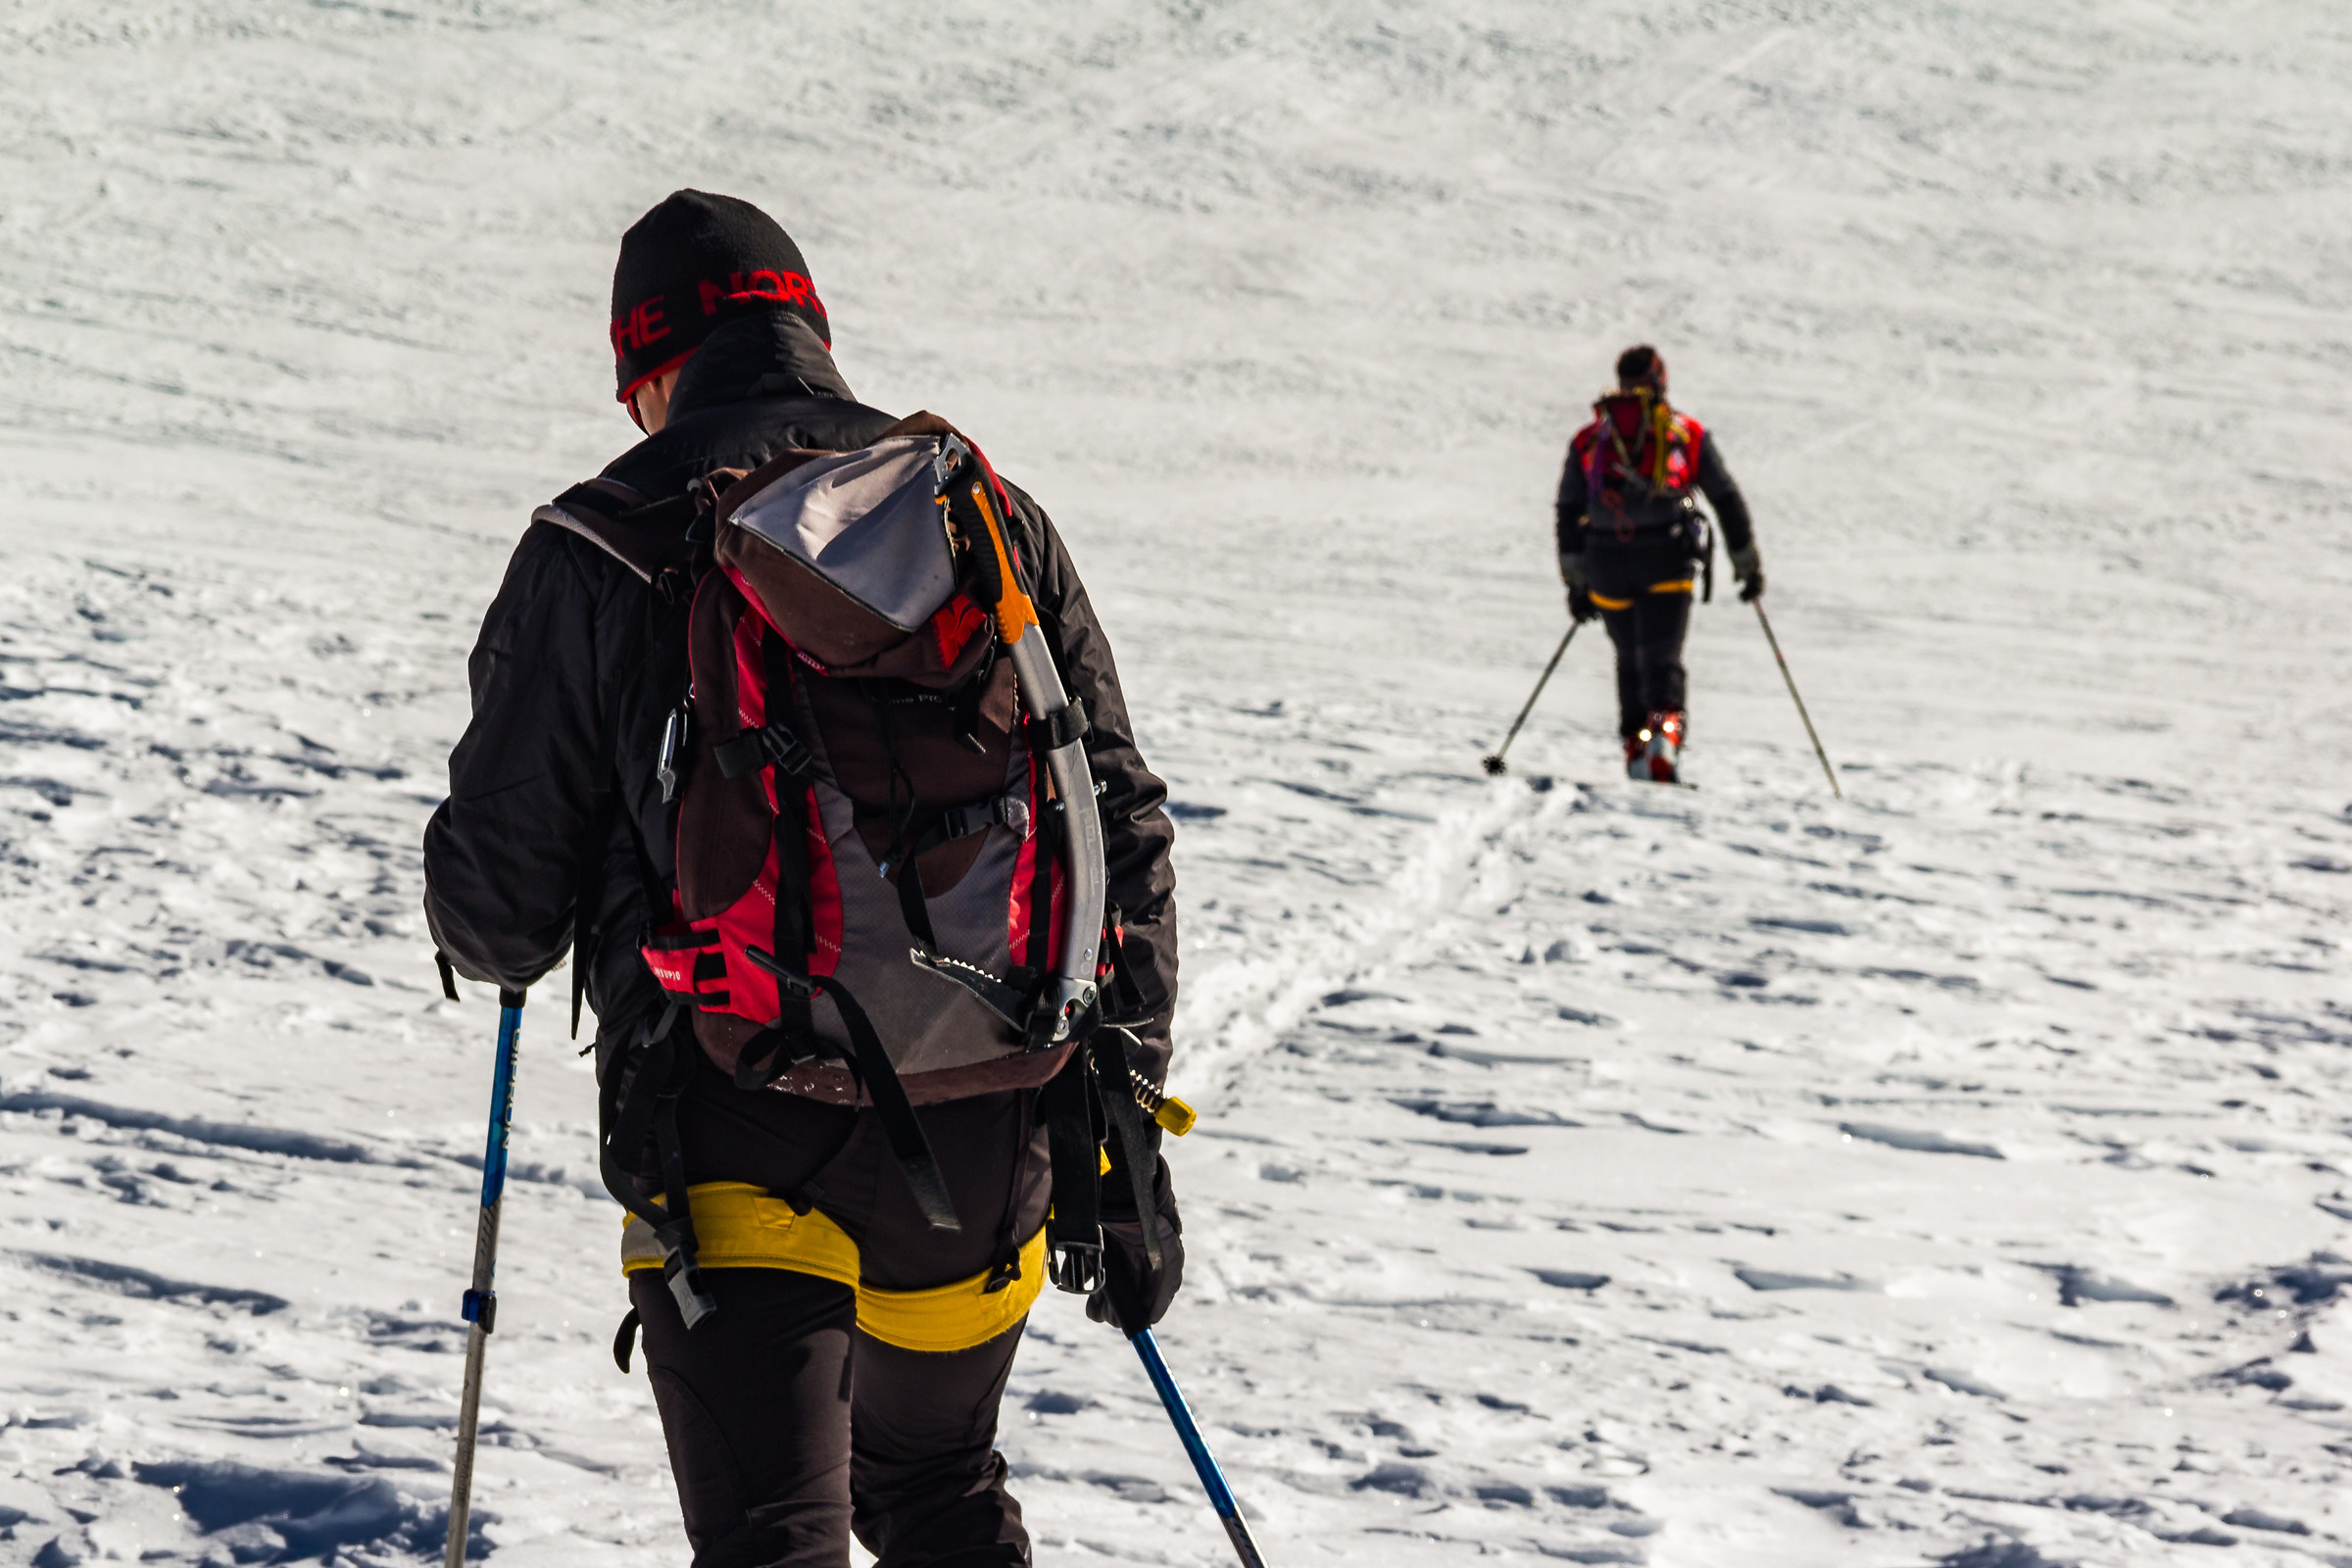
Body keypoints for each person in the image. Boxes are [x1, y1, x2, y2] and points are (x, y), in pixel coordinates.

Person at [421, 190, 1182, 1568]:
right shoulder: (985, 516)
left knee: (776, 1539)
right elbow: (1116, 821)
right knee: (938, 1491)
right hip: (991, 1126)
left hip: (732, 1123)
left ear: (646, 366)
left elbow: (498, 909)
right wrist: (1120, 1132)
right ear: (811, 328)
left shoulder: (602, 541)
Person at [1553, 345, 1762, 784]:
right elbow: (1724, 497)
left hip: (1606, 562)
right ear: (1661, 381)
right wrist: (1746, 563)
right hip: (1668, 557)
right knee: (1662, 657)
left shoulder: (1589, 439)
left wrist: (1576, 581)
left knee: (1628, 657)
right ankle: (1664, 738)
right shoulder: (1687, 433)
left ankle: (1635, 745)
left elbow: (1569, 508)